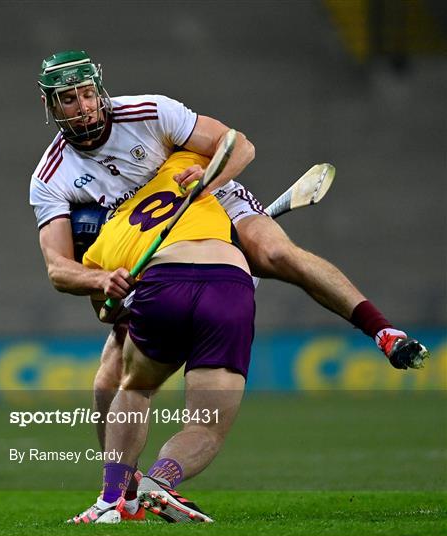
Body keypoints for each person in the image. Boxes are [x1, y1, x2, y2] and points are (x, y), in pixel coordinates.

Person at [30, 50, 427, 445]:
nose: (82, 107)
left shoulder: (149, 112)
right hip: (146, 245)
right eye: (68, 99)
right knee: (109, 375)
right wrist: (101, 278)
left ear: (99, 90)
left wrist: (208, 177)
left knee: (276, 254)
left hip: (211, 200)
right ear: (51, 105)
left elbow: (239, 146)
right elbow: (58, 267)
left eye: (86, 93)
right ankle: (118, 490)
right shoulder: (51, 176)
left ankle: (384, 332)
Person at [67, 150, 255, 524]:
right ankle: (161, 479)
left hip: (162, 290)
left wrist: (126, 295)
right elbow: (236, 145)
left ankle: (111, 500)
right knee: (205, 425)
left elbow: (108, 314)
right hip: (228, 283)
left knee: (133, 389)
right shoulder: (177, 167)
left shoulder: (101, 248)